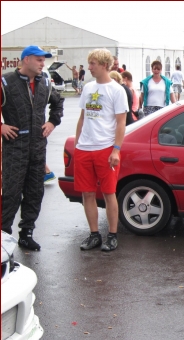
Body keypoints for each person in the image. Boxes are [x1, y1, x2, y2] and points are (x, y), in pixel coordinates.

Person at [1, 45, 64, 250]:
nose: (42, 64)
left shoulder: (45, 82)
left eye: (43, 60)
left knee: (35, 192)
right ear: (26, 59)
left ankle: (26, 233)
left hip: (38, 147)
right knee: (11, 193)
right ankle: (3, 236)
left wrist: (53, 122)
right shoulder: (5, 82)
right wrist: (1, 126)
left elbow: (58, 103)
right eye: (39, 60)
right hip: (14, 148)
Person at [74, 48, 128, 252]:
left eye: (93, 63)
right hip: (84, 149)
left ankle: (112, 235)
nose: (89, 67)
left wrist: (116, 149)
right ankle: (94, 234)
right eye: (89, 63)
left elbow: (121, 122)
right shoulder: (88, 88)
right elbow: (82, 117)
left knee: (108, 193)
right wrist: (76, 142)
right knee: (87, 193)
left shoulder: (116, 90)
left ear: (104, 65)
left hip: (105, 149)